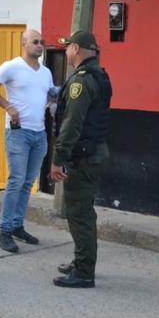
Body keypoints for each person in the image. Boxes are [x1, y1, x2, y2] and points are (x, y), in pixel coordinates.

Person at [0, 29, 54, 253]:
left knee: (27, 183)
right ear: (24, 43)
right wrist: (8, 106)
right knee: (16, 180)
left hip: (39, 134)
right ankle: (3, 232)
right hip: (18, 133)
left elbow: (47, 94)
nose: (40, 45)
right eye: (35, 41)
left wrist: (51, 100)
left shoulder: (46, 72)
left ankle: (17, 226)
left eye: (42, 42)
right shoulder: (12, 66)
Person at [50, 30, 113, 289]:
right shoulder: (99, 75)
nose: (65, 51)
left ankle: (84, 272)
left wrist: (58, 158)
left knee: (80, 213)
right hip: (93, 152)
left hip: (84, 156)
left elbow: (71, 124)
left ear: (75, 48)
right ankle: (81, 261)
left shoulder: (82, 81)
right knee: (81, 211)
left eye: (67, 47)